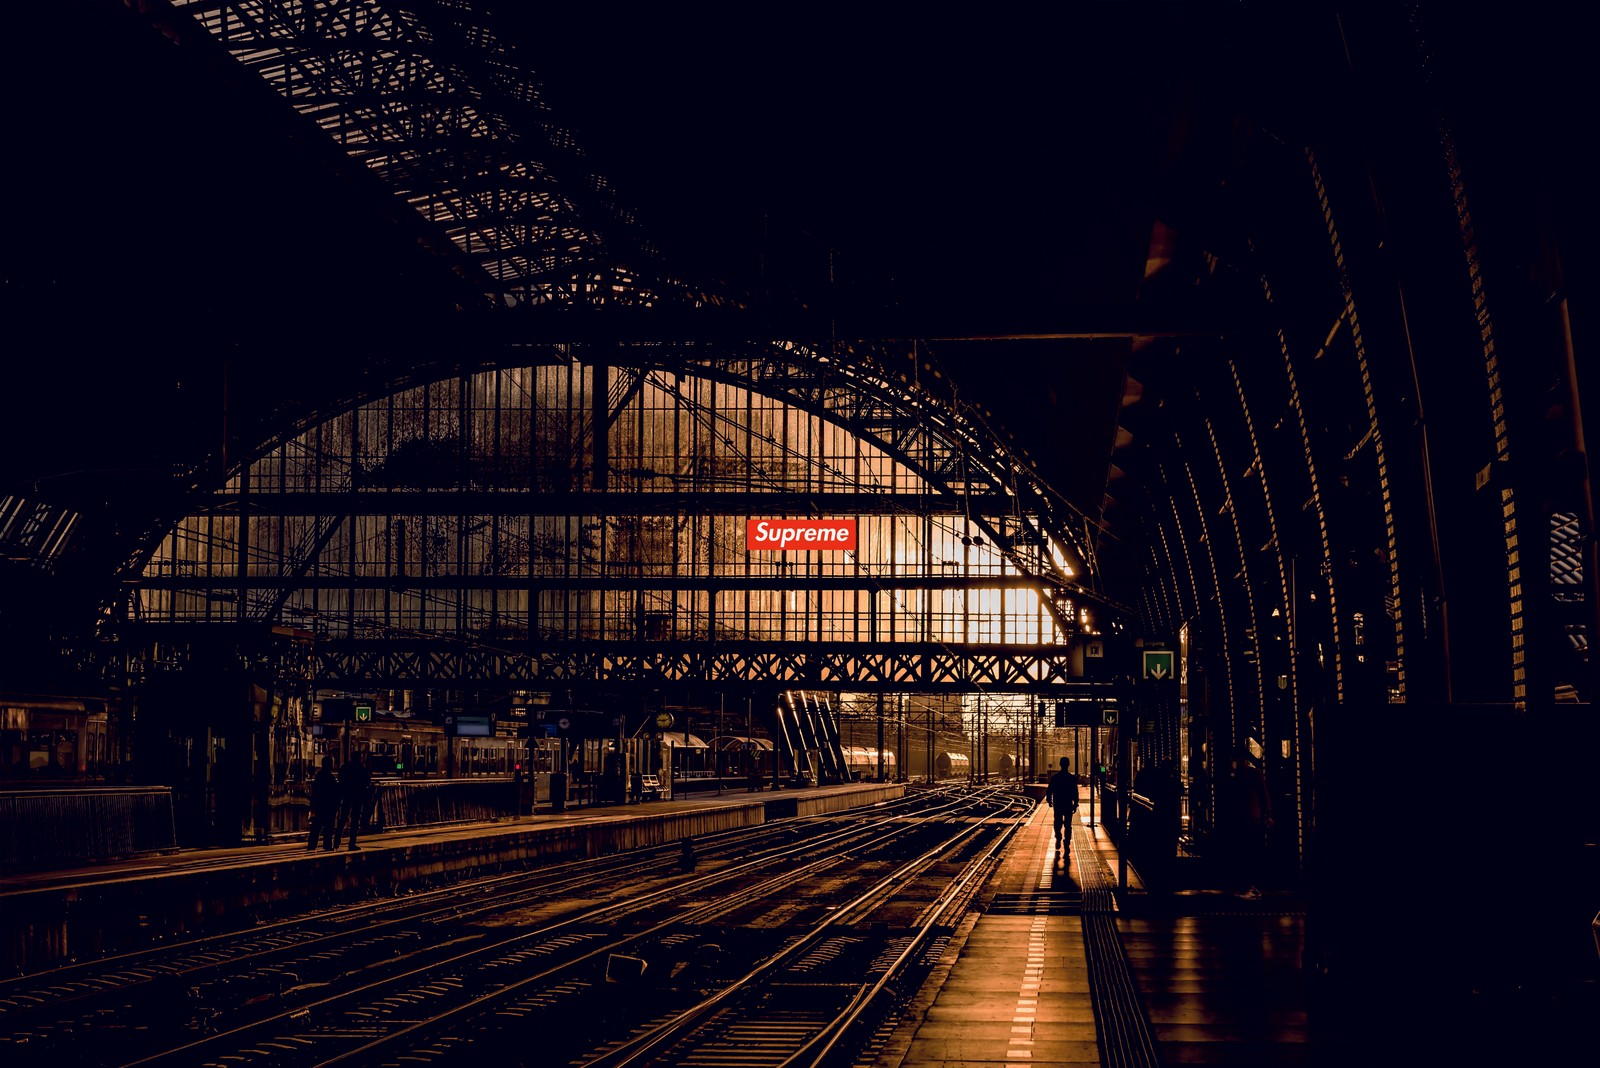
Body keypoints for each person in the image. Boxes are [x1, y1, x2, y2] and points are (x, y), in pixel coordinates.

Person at [1230, 746, 1273, 899]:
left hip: (1248, 819)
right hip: (1253, 818)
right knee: (1251, 853)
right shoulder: (1254, 774)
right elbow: (1264, 794)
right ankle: (1252, 886)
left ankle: (1251, 887)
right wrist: (1268, 814)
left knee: (1246, 853)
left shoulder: (1240, 776)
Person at [335, 751, 372, 851]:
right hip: (357, 797)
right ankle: (352, 843)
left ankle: (336, 840)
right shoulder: (361, 769)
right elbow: (367, 781)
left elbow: (341, 779)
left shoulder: (345, 767)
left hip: (347, 796)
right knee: (355, 821)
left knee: (343, 819)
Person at [1045, 756, 1080, 860]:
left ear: (1060, 764)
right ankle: (1067, 843)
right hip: (1068, 804)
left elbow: (1049, 790)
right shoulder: (1072, 778)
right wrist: (1075, 803)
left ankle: (1058, 837)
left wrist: (1049, 800)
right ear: (1068, 765)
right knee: (1068, 825)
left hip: (1058, 803)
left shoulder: (1055, 778)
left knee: (1057, 822)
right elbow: (1075, 792)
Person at [308, 754, 339, 851]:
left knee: (316, 827)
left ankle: (312, 845)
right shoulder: (330, 778)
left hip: (320, 806)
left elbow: (315, 792)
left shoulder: (319, 776)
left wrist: (313, 806)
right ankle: (327, 845)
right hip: (328, 806)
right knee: (328, 827)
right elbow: (334, 792)